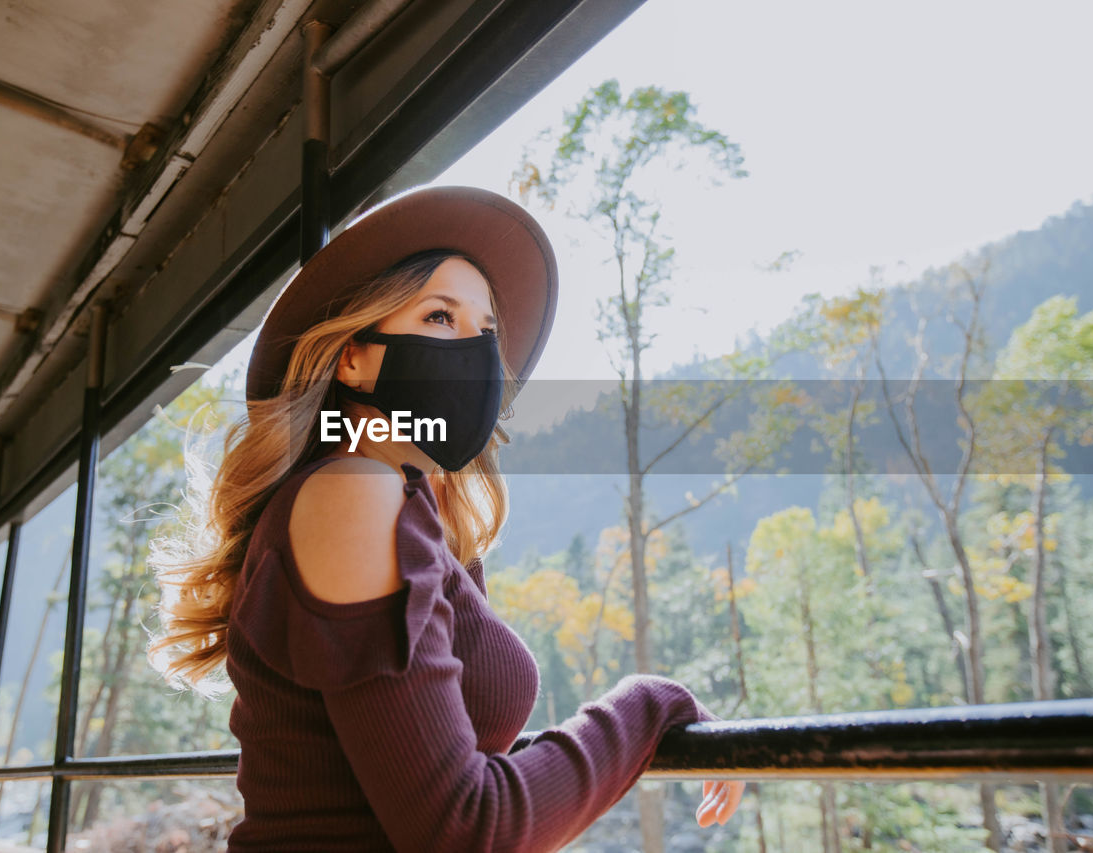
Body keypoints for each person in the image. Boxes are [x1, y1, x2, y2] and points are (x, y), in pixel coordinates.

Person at [145, 185, 744, 851]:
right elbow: (464, 830)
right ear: (352, 356)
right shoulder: (350, 493)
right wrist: (650, 703)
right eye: (439, 318)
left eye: (486, 331)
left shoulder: (400, 509)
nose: (478, 352)